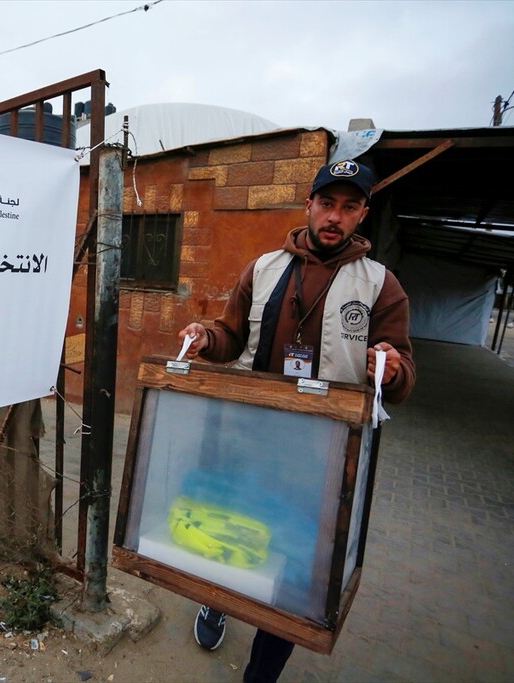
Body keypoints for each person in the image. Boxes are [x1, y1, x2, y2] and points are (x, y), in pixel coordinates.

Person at [177, 158, 416, 683]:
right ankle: (218, 602)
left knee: (297, 562)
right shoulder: (263, 269)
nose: (335, 216)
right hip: (248, 438)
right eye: (327, 204)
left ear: (362, 215)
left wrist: (392, 369)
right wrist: (205, 338)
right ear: (309, 205)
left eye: (348, 207)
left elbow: (402, 375)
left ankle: (262, 672)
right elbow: (230, 336)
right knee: (231, 527)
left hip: (321, 454)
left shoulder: (381, 286)